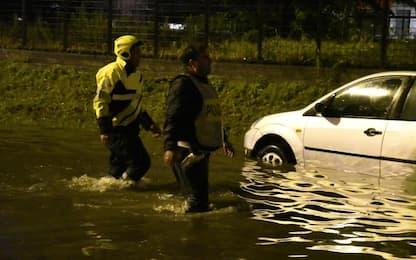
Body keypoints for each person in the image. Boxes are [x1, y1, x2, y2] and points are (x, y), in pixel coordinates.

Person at [163, 43, 234, 213]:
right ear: (193, 63)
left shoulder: (203, 84)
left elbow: (210, 116)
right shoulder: (183, 85)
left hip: (200, 149)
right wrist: (169, 147)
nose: (211, 60)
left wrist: (224, 139)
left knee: (199, 198)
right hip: (187, 150)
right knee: (198, 202)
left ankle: (188, 227)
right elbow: (173, 116)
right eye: (205, 57)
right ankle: (188, 235)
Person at [93, 35, 161, 182]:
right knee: (141, 162)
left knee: (118, 169)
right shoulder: (111, 72)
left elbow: (136, 104)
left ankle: (113, 189)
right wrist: (104, 129)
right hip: (116, 130)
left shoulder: (137, 76)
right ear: (126, 53)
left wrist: (149, 124)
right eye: (136, 52)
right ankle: (123, 187)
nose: (140, 55)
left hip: (130, 128)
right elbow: (101, 101)